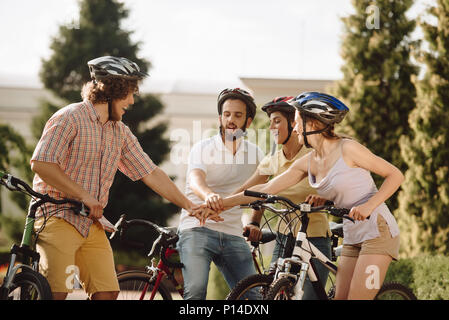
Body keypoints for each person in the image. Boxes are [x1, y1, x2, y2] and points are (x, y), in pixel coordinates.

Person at [30, 56, 214, 300]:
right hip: (57, 216)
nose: (131, 101)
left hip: (91, 223)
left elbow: (151, 172)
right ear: (110, 90)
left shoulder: (119, 132)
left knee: (107, 292)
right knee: (56, 292)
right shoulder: (69, 117)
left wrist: (189, 206)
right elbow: (42, 164)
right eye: (128, 93)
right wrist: (84, 196)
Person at [207, 92, 403, 300]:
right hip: (353, 233)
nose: (295, 127)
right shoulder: (310, 161)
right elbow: (266, 188)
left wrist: (368, 206)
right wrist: (221, 205)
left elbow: (395, 175)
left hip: (377, 230)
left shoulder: (348, 148)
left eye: (298, 121)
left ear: (313, 122)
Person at [233, 96, 332, 300]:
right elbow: (254, 190)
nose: (271, 127)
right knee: (272, 293)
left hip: (314, 238)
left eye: (277, 121)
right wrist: (250, 221)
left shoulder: (314, 155)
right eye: (270, 122)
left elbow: (334, 186)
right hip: (284, 238)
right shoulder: (273, 160)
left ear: (293, 122)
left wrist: (324, 197)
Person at [177, 88, 265, 300]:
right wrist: (208, 195)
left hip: (233, 233)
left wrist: (254, 221)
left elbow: (261, 192)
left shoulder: (256, 154)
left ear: (249, 121)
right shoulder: (203, 147)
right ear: (220, 118)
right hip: (197, 228)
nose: (231, 120)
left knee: (253, 296)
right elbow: (194, 179)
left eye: (237, 115)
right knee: (196, 290)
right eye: (226, 115)